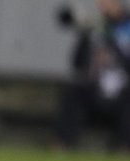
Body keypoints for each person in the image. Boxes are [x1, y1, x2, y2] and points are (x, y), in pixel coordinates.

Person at [55, 0, 130, 150]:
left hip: (122, 88)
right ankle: (62, 144)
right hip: (95, 87)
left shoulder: (126, 27)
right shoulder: (96, 28)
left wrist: (113, 48)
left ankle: (124, 147)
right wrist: (87, 39)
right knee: (73, 91)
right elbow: (77, 62)